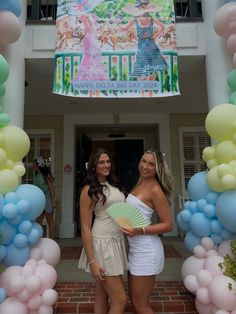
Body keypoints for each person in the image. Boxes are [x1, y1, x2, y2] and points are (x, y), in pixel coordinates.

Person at [121, 149, 174, 314]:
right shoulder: (140, 183)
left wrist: (139, 230)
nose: (145, 166)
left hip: (147, 250)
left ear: (158, 168)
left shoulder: (155, 189)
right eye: (144, 161)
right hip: (135, 248)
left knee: (140, 304)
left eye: (151, 164)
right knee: (135, 301)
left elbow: (168, 225)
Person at [78, 148, 128, 314]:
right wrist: (92, 262)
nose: (106, 165)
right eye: (101, 162)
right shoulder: (89, 190)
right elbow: (85, 227)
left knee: (101, 292)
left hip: (117, 241)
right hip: (102, 243)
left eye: (108, 161)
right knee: (120, 299)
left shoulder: (114, 185)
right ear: (93, 166)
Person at [115, 0, 168, 80]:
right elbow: (162, 27)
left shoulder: (136, 20)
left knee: (143, 70)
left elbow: (124, 29)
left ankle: (146, 91)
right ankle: (148, 91)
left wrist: (117, 23)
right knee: (150, 70)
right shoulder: (149, 19)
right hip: (150, 45)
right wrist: (155, 36)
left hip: (144, 47)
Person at [33, 157, 57, 240]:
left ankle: (52, 240)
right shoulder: (35, 174)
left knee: (50, 221)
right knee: (38, 221)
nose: (33, 166)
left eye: (34, 164)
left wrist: (54, 201)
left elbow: (51, 188)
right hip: (38, 200)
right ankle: (39, 239)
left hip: (47, 199)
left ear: (38, 165)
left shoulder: (46, 175)